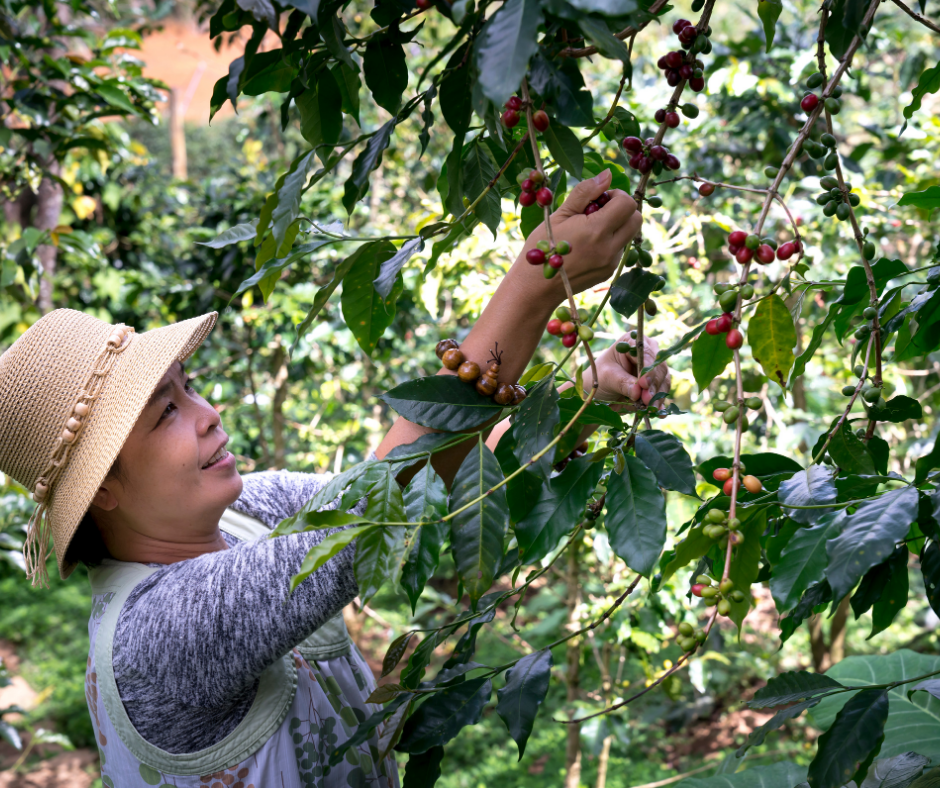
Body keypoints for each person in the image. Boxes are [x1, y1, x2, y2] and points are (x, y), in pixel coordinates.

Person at [0, 168, 668, 788]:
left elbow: (411, 480)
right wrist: (532, 285)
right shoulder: (155, 635)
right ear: (103, 490)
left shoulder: (241, 513)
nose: (208, 415)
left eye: (189, 387)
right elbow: (370, 514)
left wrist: (584, 395)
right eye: (165, 412)